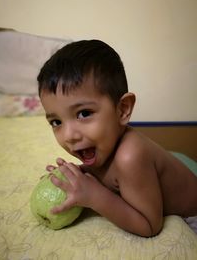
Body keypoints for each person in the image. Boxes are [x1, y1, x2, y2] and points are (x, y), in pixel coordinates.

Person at [37, 40, 197, 237]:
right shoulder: (103, 146)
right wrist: (81, 174)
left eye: (84, 113)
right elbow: (108, 174)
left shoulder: (130, 156)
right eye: (56, 122)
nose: (69, 136)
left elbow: (149, 226)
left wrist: (94, 196)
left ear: (122, 109)